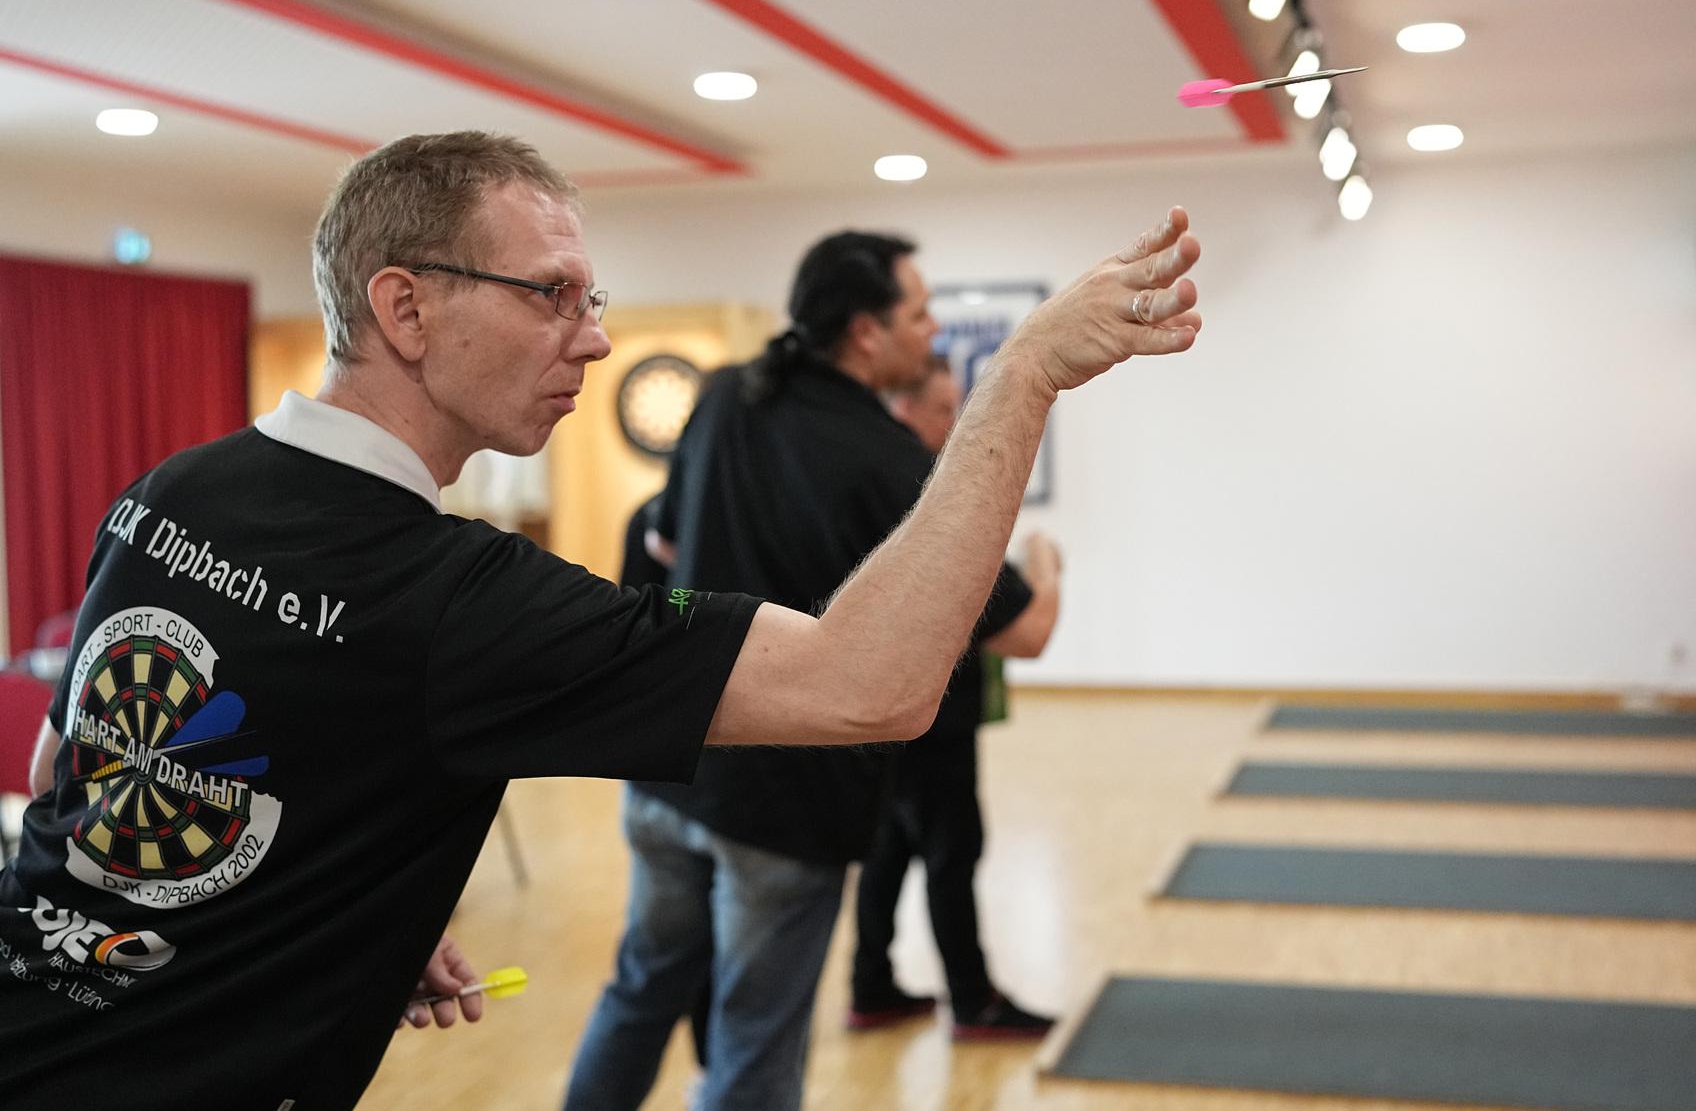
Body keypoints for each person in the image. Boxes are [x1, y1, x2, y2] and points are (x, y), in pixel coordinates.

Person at [0, 131, 1202, 1110]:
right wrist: (1021, 376)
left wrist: (325, 890)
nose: (596, 333)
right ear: (406, 309)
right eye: (551, 293)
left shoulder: (175, 488)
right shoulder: (454, 598)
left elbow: (79, 761)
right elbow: (868, 682)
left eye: (594, 294)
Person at [566, 231, 1040, 1110]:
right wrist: (1044, 567)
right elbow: (1024, 632)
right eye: (919, 313)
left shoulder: (719, 400)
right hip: (780, 809)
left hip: (669, 771)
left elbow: (662, 537)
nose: (932, 333)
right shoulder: (887, 459)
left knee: (639, 992)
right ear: (865, 332)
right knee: (754, 1042)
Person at [848, 359, 1061, 1040]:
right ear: (903, 411)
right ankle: (974, 1001)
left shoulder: (864, 486)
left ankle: (871, 986)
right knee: (950, 849)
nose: (954, 424)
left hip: (876, 708)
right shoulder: (923, 497)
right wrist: (1045, 564)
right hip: (929, 716)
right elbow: (1028, 634)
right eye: (944, 409)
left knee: (890, 846)